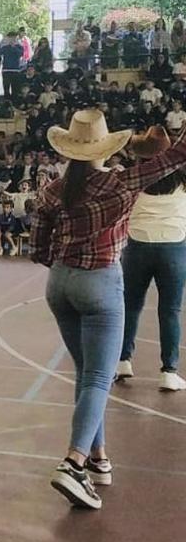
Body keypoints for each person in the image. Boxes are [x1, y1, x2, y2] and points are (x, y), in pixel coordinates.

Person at [32, 111, 186, 510]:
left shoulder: (54, 188)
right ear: (106, 147)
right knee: (99, 377)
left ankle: (98, 459)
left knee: (86, 375)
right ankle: (73, 463)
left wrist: (60, 260)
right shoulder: (119, 183)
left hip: (59, 284)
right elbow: (174, 157)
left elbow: (38, 246)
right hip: (99, 282)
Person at [115, 127, 186, 392]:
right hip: (174, 248)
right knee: (170, 312)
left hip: (136, 247)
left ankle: (123, 360)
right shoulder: (183, 180)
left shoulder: (130, 179)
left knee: (131, 306)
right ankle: (169, 371)